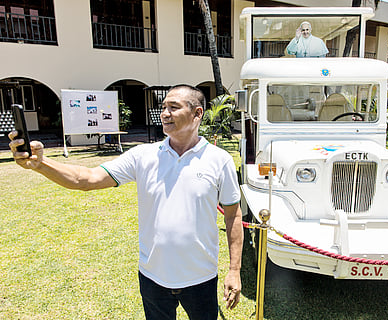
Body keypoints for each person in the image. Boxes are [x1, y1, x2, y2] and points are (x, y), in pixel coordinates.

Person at [8, 84, 243, 320]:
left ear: (197, 113)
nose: (164, 113)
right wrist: (41, 164)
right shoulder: (143, 156)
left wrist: (234, 270)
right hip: (153, 278)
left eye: (174, 107)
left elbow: (233, 215)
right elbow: (86, 178)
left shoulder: (219, 160)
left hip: (200, 278)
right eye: (163, 107)